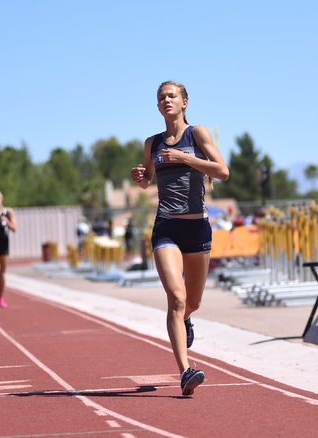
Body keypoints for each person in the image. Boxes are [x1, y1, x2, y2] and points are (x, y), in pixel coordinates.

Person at [131, 81, 229, 396]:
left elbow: (222, 171)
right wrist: (141, 178)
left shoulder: (197, 134)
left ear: (184, 102)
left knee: (193, 301)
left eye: (171, 96)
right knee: (177, 297)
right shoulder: (152, 143)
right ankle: (186, 372)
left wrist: (185, 158)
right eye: (161, 98)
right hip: (167, 227)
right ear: (157, 106)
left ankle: (185, 320)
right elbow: (148, 180)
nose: (166, 101)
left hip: (197, 227)